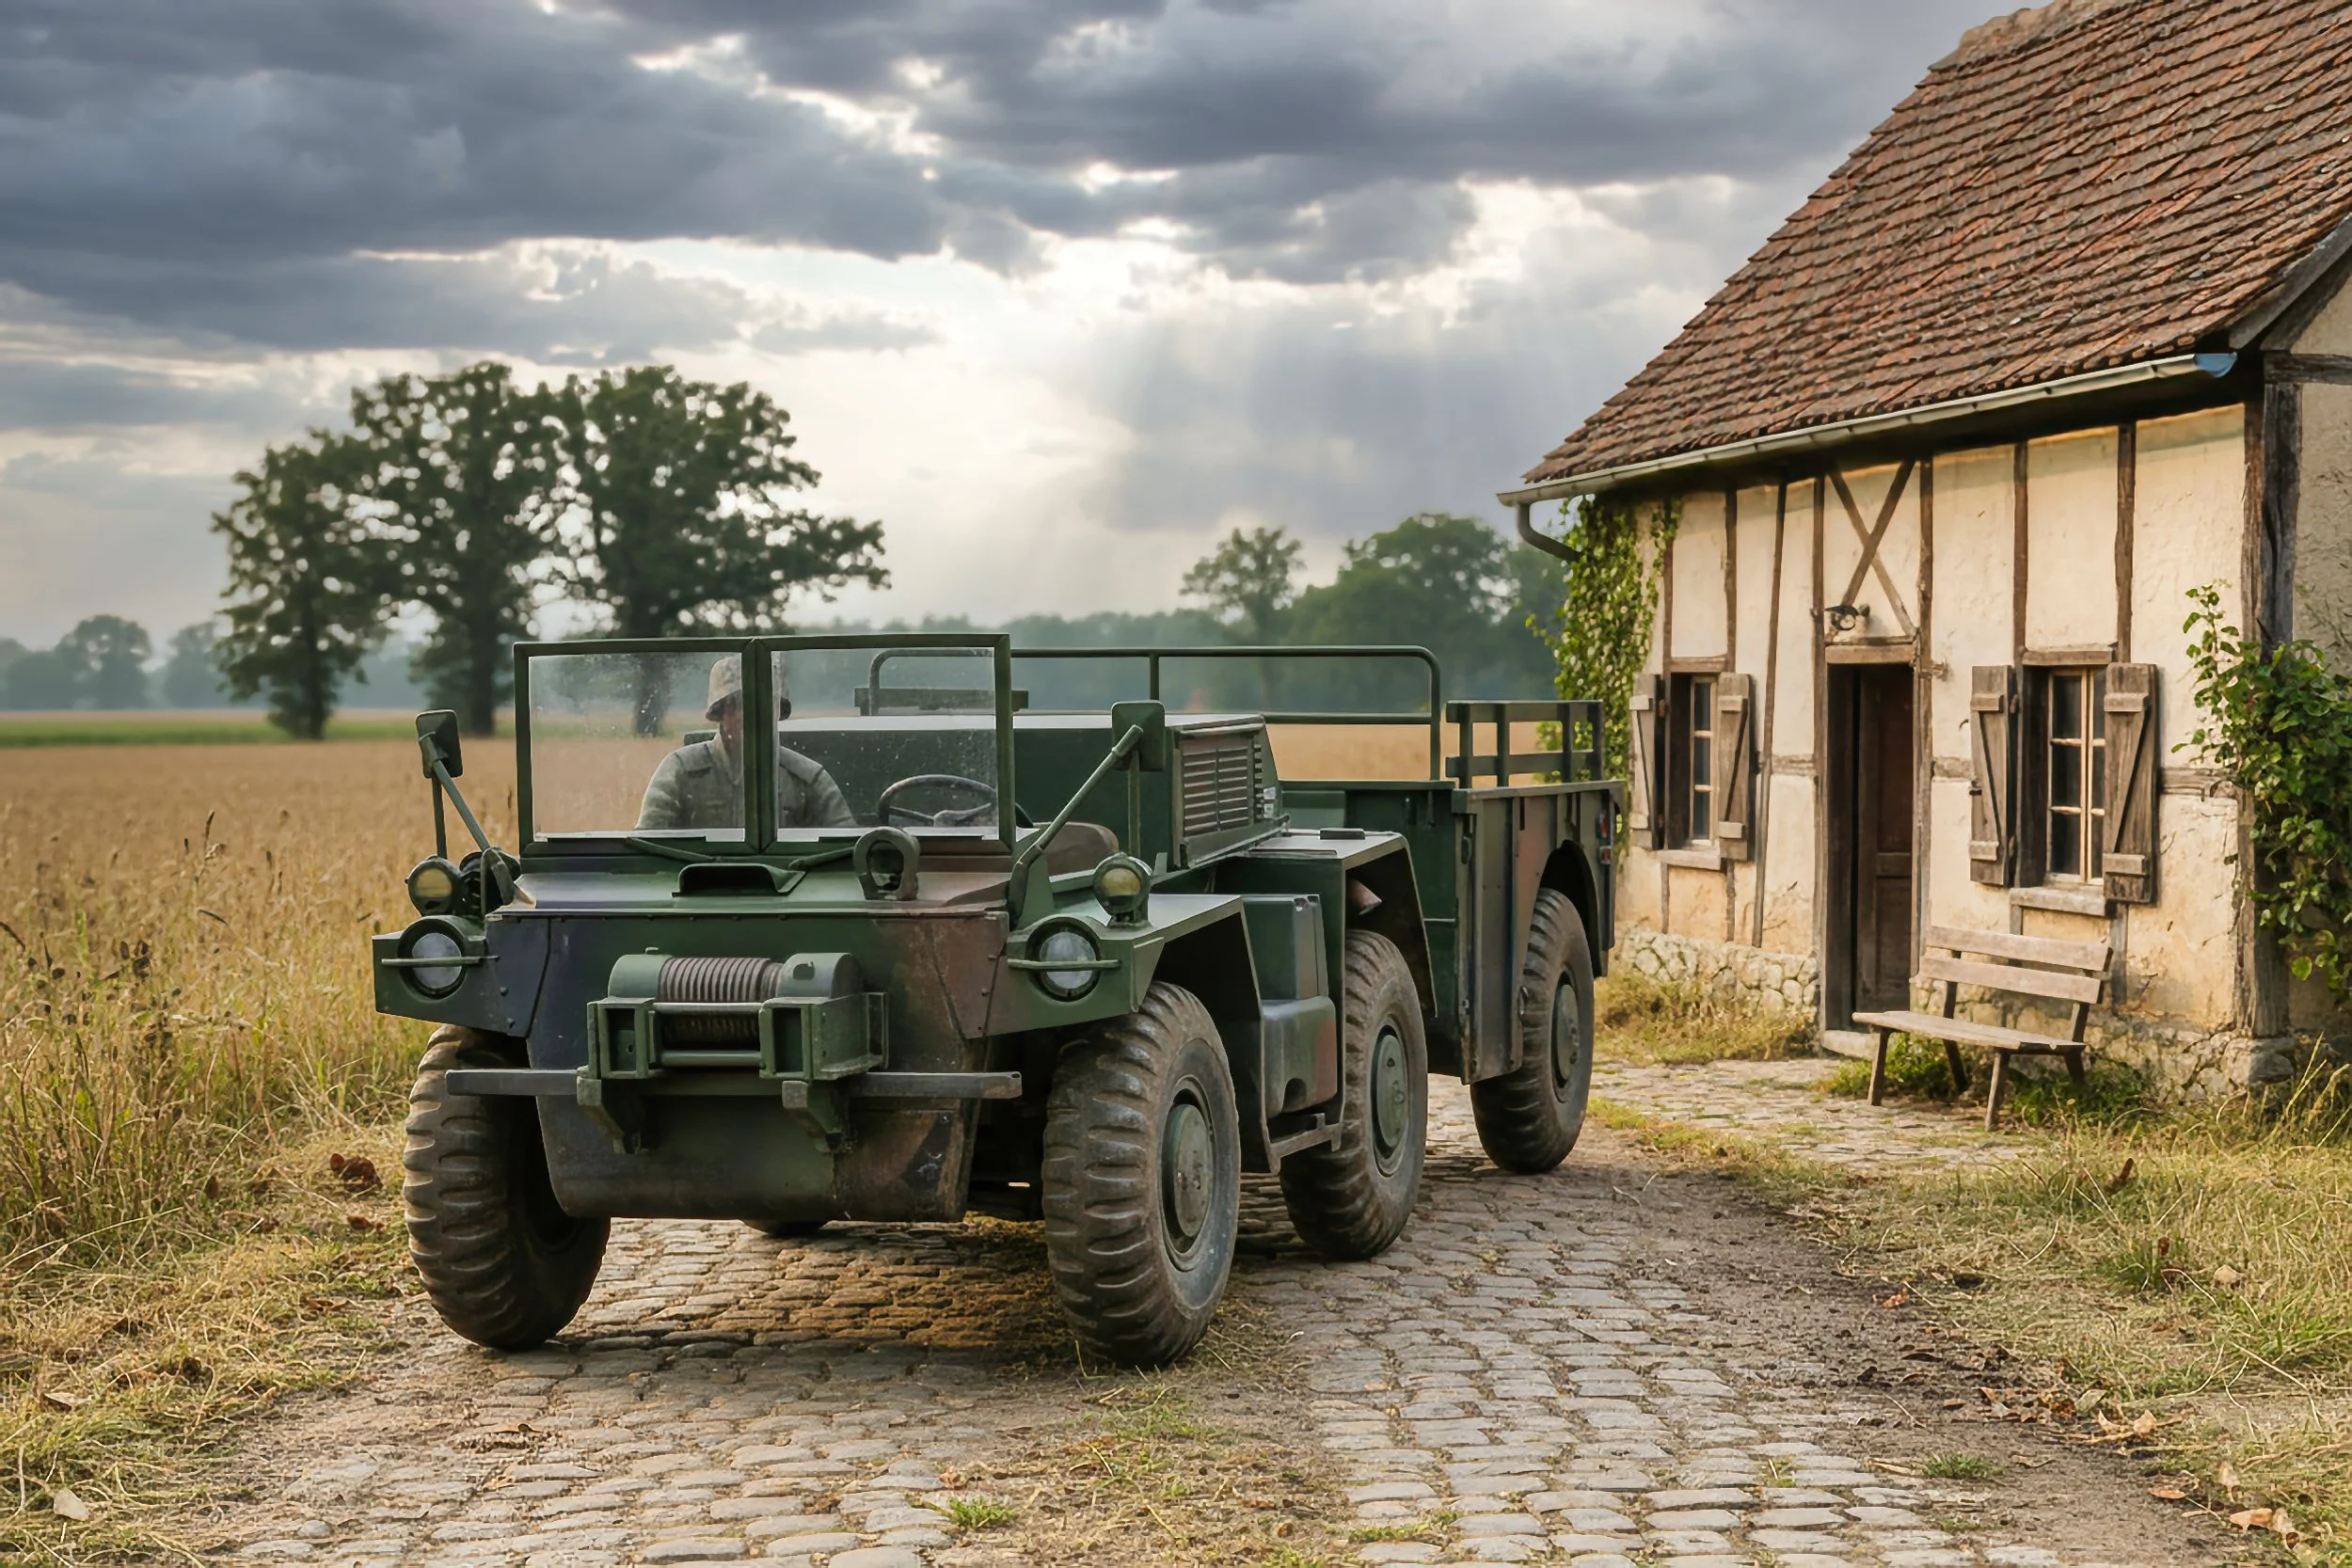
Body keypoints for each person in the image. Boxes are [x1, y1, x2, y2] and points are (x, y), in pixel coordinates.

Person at [635, 656, 857, 832]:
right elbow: (649, 844)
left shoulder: (806, 777)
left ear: (776, 711)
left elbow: (843, 845)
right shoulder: (680, 771)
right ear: (720, 712)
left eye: (764, 704)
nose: (752, 715)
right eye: (739, 704)